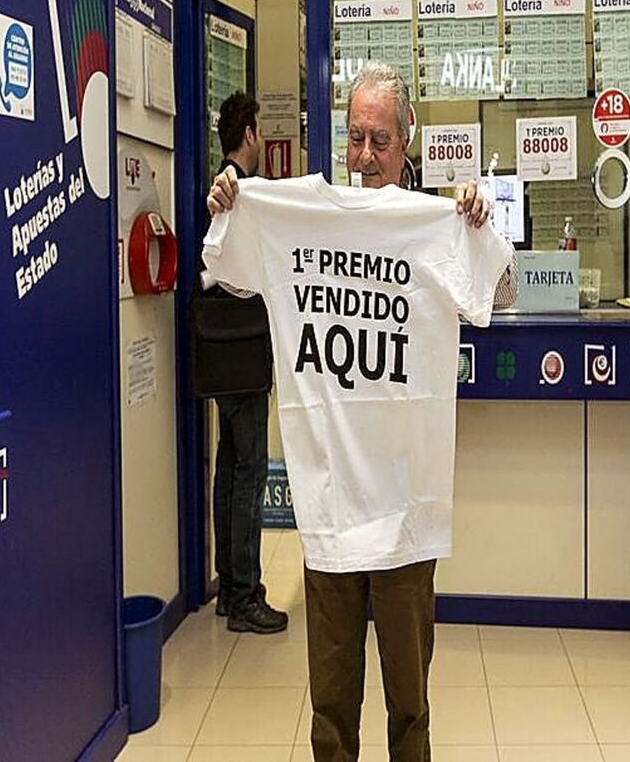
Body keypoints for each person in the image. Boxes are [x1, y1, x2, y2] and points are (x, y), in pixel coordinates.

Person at [206, 63, 514, 761]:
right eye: (355, 138)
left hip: (406, 509)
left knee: (411, 707)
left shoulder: (433, 222)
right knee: (331, 707)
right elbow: (226, 267)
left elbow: (504, 289)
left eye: (380, 140)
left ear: (408, 144)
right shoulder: (299, 219)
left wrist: (477, 217)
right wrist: (230, 200)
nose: (365, 155)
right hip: (331, 507)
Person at [207, 91, 288, 634]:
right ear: (252, 134)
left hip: (219, 354)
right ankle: (245, 595)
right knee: (248, 472)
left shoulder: (220, 186)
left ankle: (226, 586)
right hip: (243, 354)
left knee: (228, 467)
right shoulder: (240, 192)